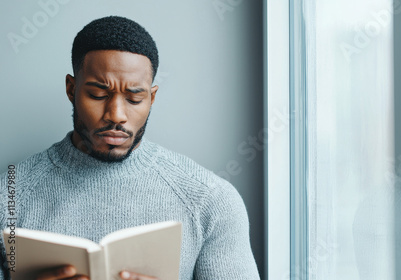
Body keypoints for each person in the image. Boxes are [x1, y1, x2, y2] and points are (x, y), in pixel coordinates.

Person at [0, 16, 260, 280]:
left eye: (135, 98)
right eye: (98, 95)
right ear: (71, 89)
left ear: (152, 98)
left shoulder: (211, 201)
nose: (117, 115)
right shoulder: (8, 196)